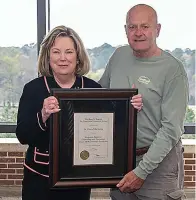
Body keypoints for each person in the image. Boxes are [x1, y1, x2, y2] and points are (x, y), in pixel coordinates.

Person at [15, 25, 143, 200]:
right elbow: (23, 136)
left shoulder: (92, 88)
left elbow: (111, 129)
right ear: (47, 56)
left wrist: (130, 107)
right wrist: (43, 114)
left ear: (78, 56)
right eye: (56, 52)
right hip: (39, 179)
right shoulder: (33, 89)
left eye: (69, 52)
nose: (62, 58)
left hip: (78, 178)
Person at [99, 4, 189, 200]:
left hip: (160, 164)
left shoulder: (173, 69)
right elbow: (99, 97)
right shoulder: (119, 56)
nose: (138, 33)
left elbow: (171, 129)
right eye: (132, 27)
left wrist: (141, 171)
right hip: (121, 159)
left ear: (157, 29)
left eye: (145, 26)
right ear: (125, 30)